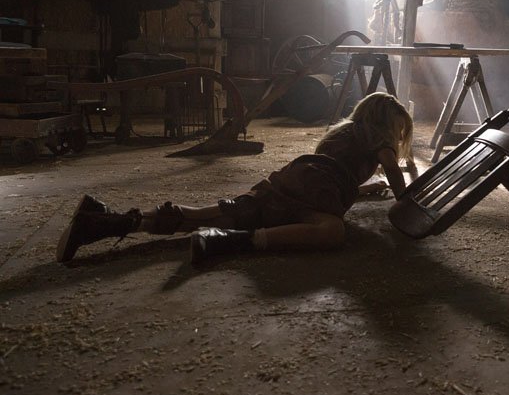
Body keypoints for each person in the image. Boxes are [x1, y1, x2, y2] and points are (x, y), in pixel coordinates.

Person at [56, 92, 417, 265]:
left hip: (293, 177)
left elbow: (333, 170)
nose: (397, 138)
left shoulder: (343, 134)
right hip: (317, 193)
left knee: (222, 210)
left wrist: (364, 188)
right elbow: (401, 189)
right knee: (332, 231)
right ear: (387, 126)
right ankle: (235, 242)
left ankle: (106, 221)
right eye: (398, 130)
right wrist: (408, 190)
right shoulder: (381, 145)